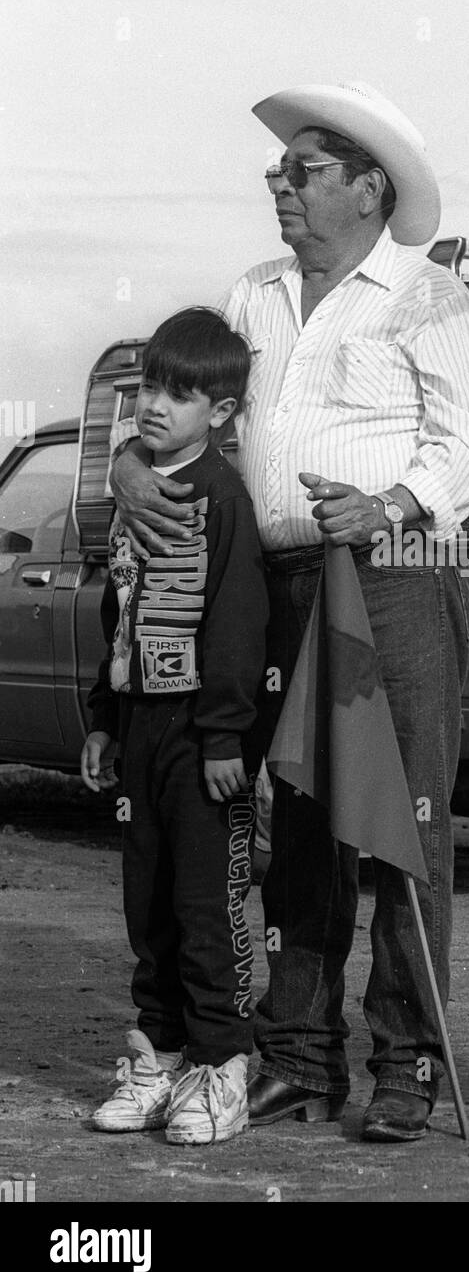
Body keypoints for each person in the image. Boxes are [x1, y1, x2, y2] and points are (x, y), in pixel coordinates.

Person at [110, 83, 469, 1143]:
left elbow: (467, 444)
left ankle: (406, 1062)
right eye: (279, 172)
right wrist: (132, 461)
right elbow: (194, 399)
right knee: (299, 828)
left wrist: (389, 503)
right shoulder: (254, 292)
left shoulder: (429, 297)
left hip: (393, 574)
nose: (281, 185)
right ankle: (296, 1056)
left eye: (304, 171)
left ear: (368, 189)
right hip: (274, 582)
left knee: (403, 823)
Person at [83, 307, 269, 1146]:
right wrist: (105, 717)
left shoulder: (223, 498)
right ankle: (156, 1059)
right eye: (150, 387)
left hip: (201, 736)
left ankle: (222, 1066)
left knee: (206, 907)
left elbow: (236, 621)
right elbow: (118, 612)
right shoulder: (135, 489)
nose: (155, 405)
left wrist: (226, 735)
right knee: (147, 905)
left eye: (180, 394)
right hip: (141, 727)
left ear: (221, 412)